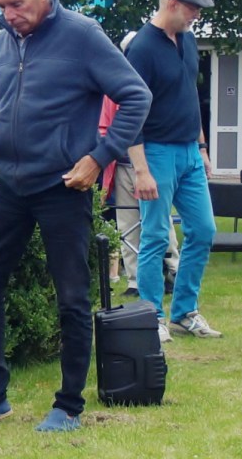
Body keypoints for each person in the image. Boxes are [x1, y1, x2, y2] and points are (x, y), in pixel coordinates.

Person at [0, 0, 150, 433]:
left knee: (71, 297)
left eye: (16, 4)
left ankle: (69, 406)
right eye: (1, 7)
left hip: (65, 185)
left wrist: (100, 157)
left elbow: (136, 95)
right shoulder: (0, 42)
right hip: (11, 183)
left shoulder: (82, 35)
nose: (9, 15)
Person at [126, 0, 219, 344]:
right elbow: (130, 112)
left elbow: (188, 95)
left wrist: (202, 147)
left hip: (189, 152)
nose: (196, 15)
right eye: (193, 9)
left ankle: (184, 311)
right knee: (155, 236)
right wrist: (141, 170)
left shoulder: (188, 40)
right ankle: (152, 316)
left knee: (204, 230)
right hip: (156, 152)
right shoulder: (141, 48)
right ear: (172, 4)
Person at [99, 30, 179, 298]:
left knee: (160, 220)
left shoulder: (158, 85)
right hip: (121, 165)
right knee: (127, 223)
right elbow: (104, 126)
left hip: (151, 162)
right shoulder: (113, 88)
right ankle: (134, 280)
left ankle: (173, 272)